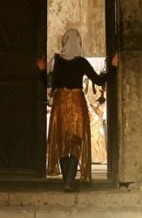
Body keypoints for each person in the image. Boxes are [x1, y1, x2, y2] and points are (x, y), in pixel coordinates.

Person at [36, 28, 119, 192]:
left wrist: (42, 70)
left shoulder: (58, 61)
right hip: (76, 103)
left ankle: (68, 181)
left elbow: (50, 83)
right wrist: (114, 67)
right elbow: (98, 79)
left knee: (61, 139)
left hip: (60, 103)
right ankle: (69, 181)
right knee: (76, 139)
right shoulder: (81, 62)